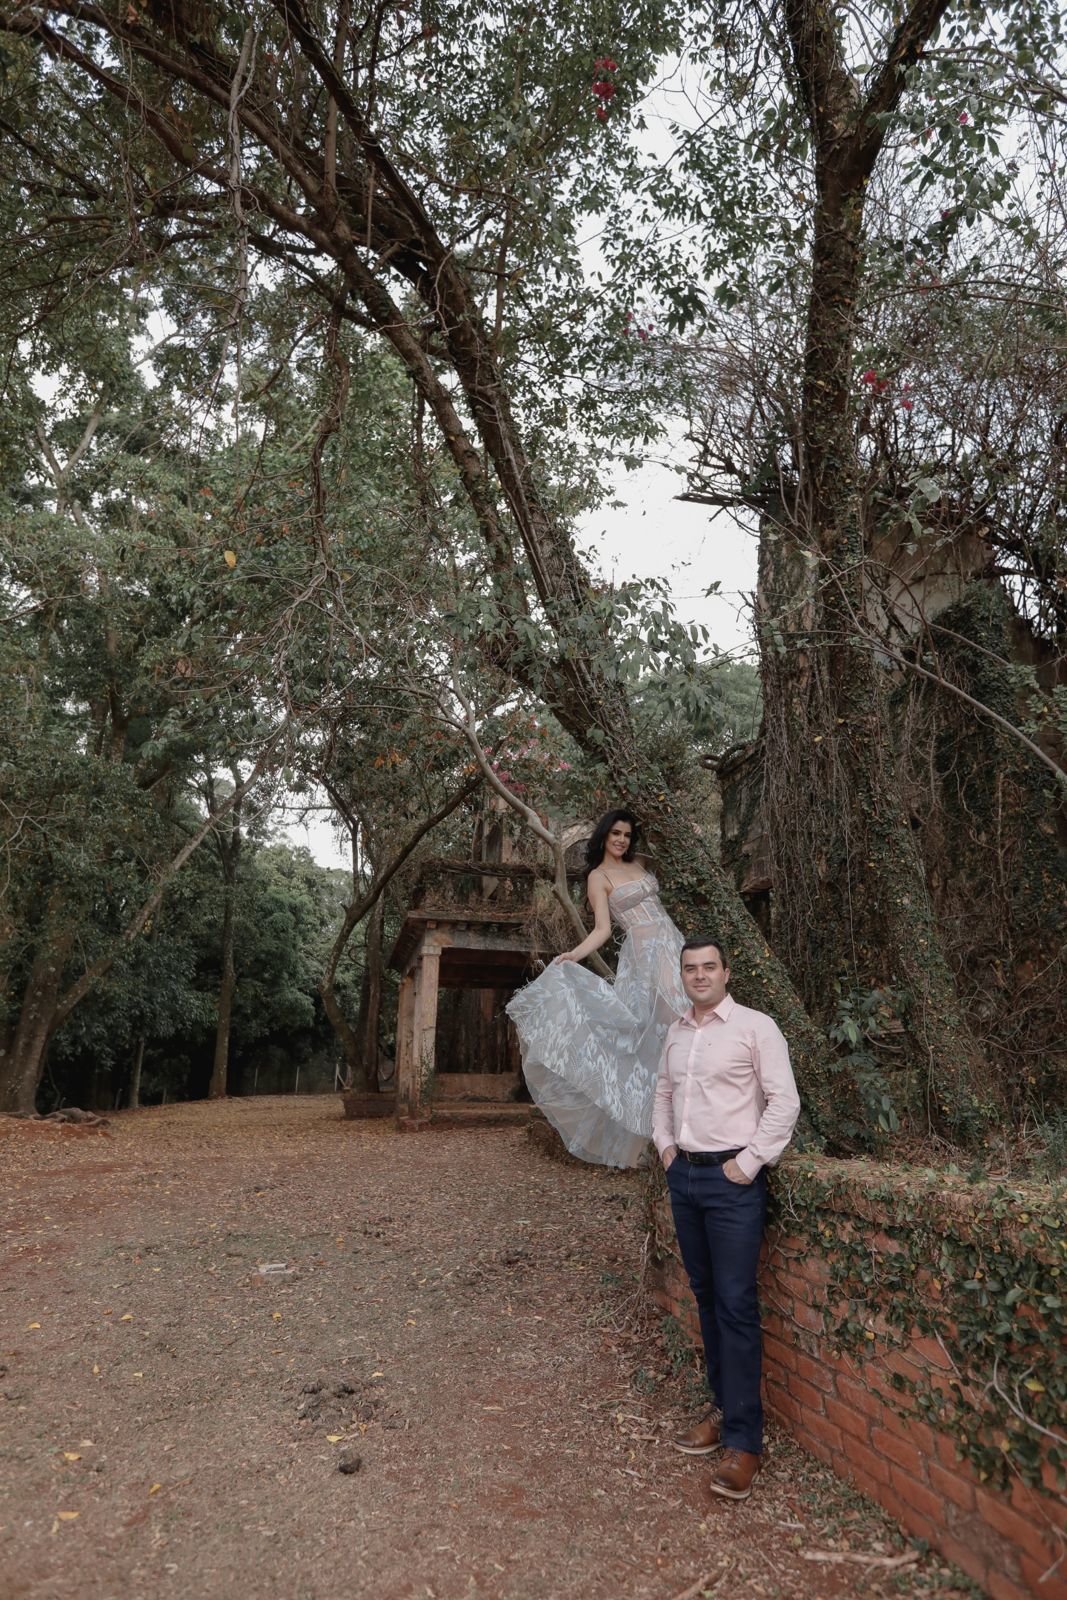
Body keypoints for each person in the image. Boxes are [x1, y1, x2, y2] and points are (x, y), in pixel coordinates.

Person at [654, 937, 800, 1502]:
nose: (699, 975)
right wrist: (666, 1146)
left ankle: (745, 1442)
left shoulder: (755, 1027)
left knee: (737, 1303)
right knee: (707, 1296)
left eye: (708, 966)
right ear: (683, 976)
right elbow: (663, 1093)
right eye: (690, 968)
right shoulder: (675, 1032)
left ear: (725, 972)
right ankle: (722, 1409)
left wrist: (748, 1162)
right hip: (684, 1178)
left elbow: (783, 1101)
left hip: (733, 1182)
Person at [505, 809, 686, 1167]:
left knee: (680, 1025)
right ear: (604, 835)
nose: (622, 840)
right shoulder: (598, 877)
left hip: (673, 943)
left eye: (627, 835)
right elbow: (603, 929)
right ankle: (659, 1124)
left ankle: (684, 1112)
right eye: (616, 833)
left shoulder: (640, 865)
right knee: (654, 1029)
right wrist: (574, 954)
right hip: (645, 954)